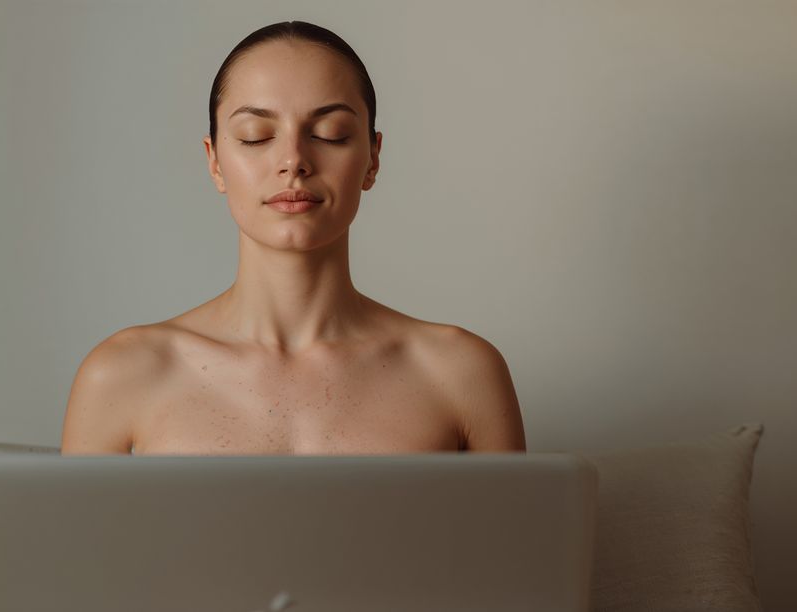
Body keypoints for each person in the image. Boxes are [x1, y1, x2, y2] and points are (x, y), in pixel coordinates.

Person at [61, 20, 526, 455]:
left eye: (331, 133)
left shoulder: (462, 374)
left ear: (372, 158)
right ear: (215, 161)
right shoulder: (121, 376)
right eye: (255, 135)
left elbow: (524, 544)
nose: (293, 161)